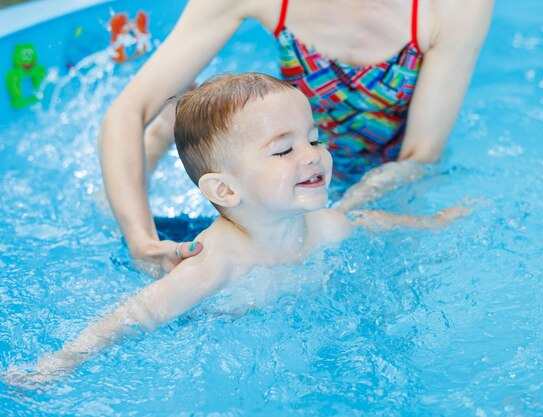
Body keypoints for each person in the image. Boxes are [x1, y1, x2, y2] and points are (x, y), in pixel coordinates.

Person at [7, 73, 472, 387]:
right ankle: (153, 140)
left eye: (313, 138)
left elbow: (368, 221)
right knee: (114, 222)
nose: (312, 156)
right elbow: (136, 316)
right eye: (282, 151)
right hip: (178, 240)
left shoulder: (323, 227)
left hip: (247, 216)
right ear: (225, 190)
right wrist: (59, 364)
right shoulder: (214, 264)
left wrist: (432, 223)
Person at [98, 0, 494, 273]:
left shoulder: (454, 8)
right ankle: (167, 132)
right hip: (283, 157)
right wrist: (141, 241)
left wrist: (337, 215)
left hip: (376, 171)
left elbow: (420, 155)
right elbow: (126, 112)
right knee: (116, 204)